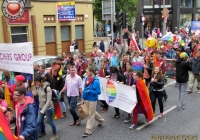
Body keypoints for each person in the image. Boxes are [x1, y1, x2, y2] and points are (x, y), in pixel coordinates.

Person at [81, 66, 105, 137]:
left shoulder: (96, 81)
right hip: (86, 98)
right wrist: (83, 98)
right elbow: (85, 88)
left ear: (91, 72)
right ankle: (101, 121)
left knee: (90, 115)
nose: (86, 73)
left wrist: (89, 91)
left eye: (87, 72)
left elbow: (98, 92)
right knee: (92, 112)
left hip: (92, 99)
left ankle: (88, 130)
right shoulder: (87, 78)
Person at [33, 76, 58, 140]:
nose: (37, 84)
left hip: (48, 108)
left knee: (50, 122)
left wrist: (43, 110)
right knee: (38, 122)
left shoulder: (48, 88)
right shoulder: (39, 87)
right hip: (41, 107)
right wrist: (33, 87)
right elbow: (36, 94)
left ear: (41, 81)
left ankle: (55, 134)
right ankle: (36, 136)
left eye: (37, 82)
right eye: (36, 83)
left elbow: (48, 100)